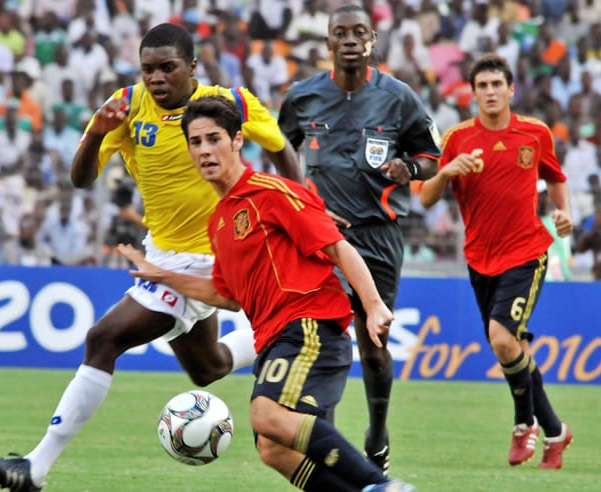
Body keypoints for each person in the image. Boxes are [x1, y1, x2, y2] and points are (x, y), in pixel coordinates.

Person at [0, 23, 302, 492]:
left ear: (192, 67)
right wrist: (97, 134)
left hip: (209, 259)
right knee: (207, 368)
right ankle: (263, 333)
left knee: (104, 337)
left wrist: (297, 210)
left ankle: (35, 467)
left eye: (168, 67)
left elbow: (280, 150)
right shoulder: (126, 106)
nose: (156, 78)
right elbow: (81, 178)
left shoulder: (229, 102)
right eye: (148, 68)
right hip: (164, 253)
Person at [117, 94, 414, 492]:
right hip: (275, 338)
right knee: (274, 449)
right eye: (196, 142)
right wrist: (163, 274)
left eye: (214, 139)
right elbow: (227, 295)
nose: (205, 150)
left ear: (238, 140)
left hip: (309, 326)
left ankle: (381, 485)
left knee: (267, 416)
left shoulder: (271, 192)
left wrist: (374, 305)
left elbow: (337, 247)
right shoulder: (219, 221)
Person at [277, 3, 441, 478]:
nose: (350, 40)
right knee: (325, 338)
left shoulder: (399, 97)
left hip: (378, 236)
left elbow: (431, 155)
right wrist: (299, 203)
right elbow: (279, 149)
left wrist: (408, 168)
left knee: (372, 344)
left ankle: (377, 432)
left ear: (372, 41)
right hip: (321, 238)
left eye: (359, 33)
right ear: (328, 42)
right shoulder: (301, 97)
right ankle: (320, 432)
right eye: (340, 33)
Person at [419, 54, 574, 469]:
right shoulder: (457, 139)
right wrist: (446, 172)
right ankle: (556, 432)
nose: (489, 92)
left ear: (510, 90)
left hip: (526, 251)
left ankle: (524, 424)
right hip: (479, 258)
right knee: (514, 347)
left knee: (503, 339)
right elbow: (425, 197)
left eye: (495, 84)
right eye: (481, 86)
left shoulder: (535, 133)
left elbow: (556, 178)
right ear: (473, 93)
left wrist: (563, 213)